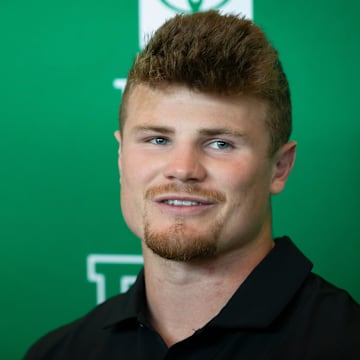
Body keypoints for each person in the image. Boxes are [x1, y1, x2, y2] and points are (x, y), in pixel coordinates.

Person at [24, 10, 360, 359]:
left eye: (220, 144)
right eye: (157, 140)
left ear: (279, 168)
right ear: (121, 156)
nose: (182, 169)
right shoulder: (60, 352)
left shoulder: (346, 342)